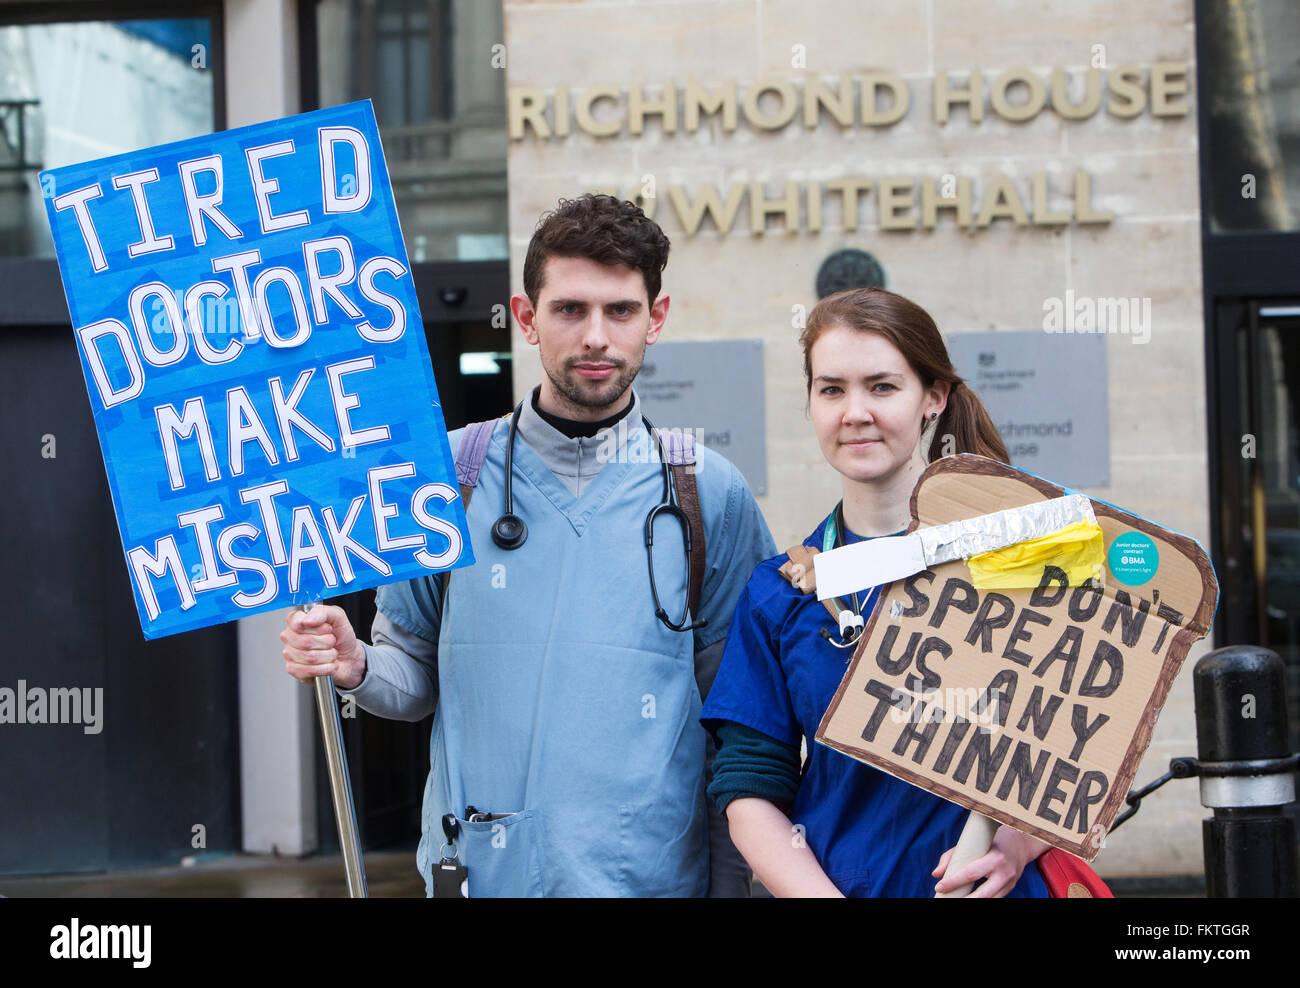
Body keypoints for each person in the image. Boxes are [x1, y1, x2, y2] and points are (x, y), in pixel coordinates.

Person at [280, 194, 776, 897]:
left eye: (621, 311)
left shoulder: (707, 494)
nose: (596, 337)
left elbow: (743, 725)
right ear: (525, 318)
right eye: (570, 309)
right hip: (482, 874)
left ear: (654, 320)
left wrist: (735, 886)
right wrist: (355, 661)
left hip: (651, 878)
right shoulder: (447, 480)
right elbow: (412, 679)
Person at [700, 287, 1051, 897]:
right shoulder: (782, 593)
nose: (854, 411)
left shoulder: (1013, 559)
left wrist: (1017, 847)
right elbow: (750, 787)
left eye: (882, 387)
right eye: (831, 389)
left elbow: (1084, 744)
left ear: (932, 398)